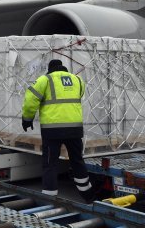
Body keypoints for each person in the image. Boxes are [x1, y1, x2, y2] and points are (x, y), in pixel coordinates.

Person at [22, 59, 96, 201]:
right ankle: (88, 195)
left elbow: (31, 99)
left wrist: (27, 118)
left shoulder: (45, 79)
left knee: (50, 164)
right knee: (77, 161)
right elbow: (79, 96)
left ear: (50, 69)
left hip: (52, 131)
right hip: (74, 130)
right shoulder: (78, 80)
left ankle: (49, 198)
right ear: (63, 68)